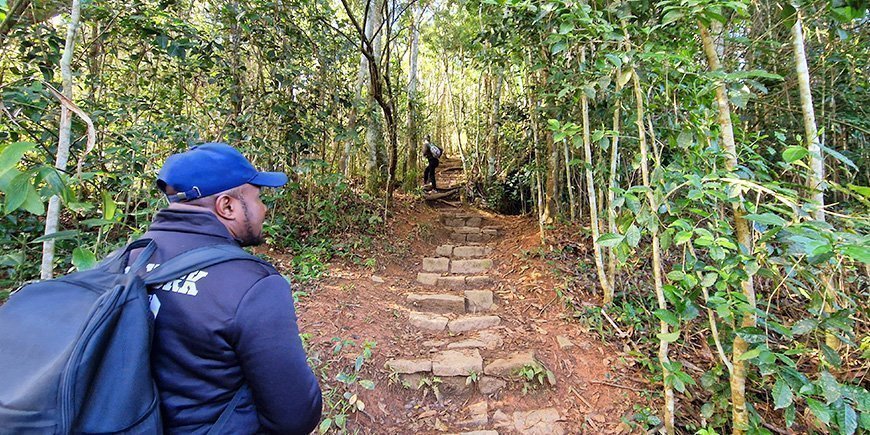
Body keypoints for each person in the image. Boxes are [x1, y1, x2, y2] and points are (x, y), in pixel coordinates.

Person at [141, 142, 322, 434]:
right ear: (227, 206)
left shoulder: (125, 261)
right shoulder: (252, 285)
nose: (263, 209)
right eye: (258, 198)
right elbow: (296, 415)